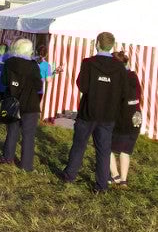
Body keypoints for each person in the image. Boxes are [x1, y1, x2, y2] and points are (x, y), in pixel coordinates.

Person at [61, 32, 132, 192]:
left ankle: (70, 175)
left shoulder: (88, 63)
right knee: (104, 150)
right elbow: (124, 92)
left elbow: (82, 86)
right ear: (112, 46)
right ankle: (101, 185)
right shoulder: (119, 67)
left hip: (88, 112)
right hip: (108, 115)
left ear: (97, 43)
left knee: (79, 145)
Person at [0, 39, 43, 171]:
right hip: (30, 104)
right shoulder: (33, 66)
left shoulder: (9, 63)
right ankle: (26, 165)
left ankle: (7, 157)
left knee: (12, 131)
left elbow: (4, 81)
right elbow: (38, 86)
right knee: (28, 135)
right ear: (29, 50)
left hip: (12, 101)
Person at [109, 51, 142, 188]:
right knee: (126, 150)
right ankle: (123, 180)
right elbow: (138, 95)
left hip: (122, 117)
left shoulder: (118, 78)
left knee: (107, 147)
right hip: (136, 117)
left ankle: (115, 174)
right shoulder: (133, 75)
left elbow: (114, 100)